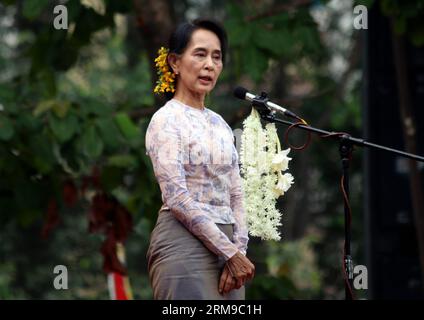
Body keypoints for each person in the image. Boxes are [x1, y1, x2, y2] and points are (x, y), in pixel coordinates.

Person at [145, 18, 255, 300]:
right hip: (184, 245)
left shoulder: (219, 123)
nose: (210, 65)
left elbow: (236, 192)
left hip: (229, 253)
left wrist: (239, 250)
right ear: (175, 62)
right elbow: (177, 198)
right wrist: (229, 251)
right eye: (200, 54)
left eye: (216, 57)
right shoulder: (166, 120)